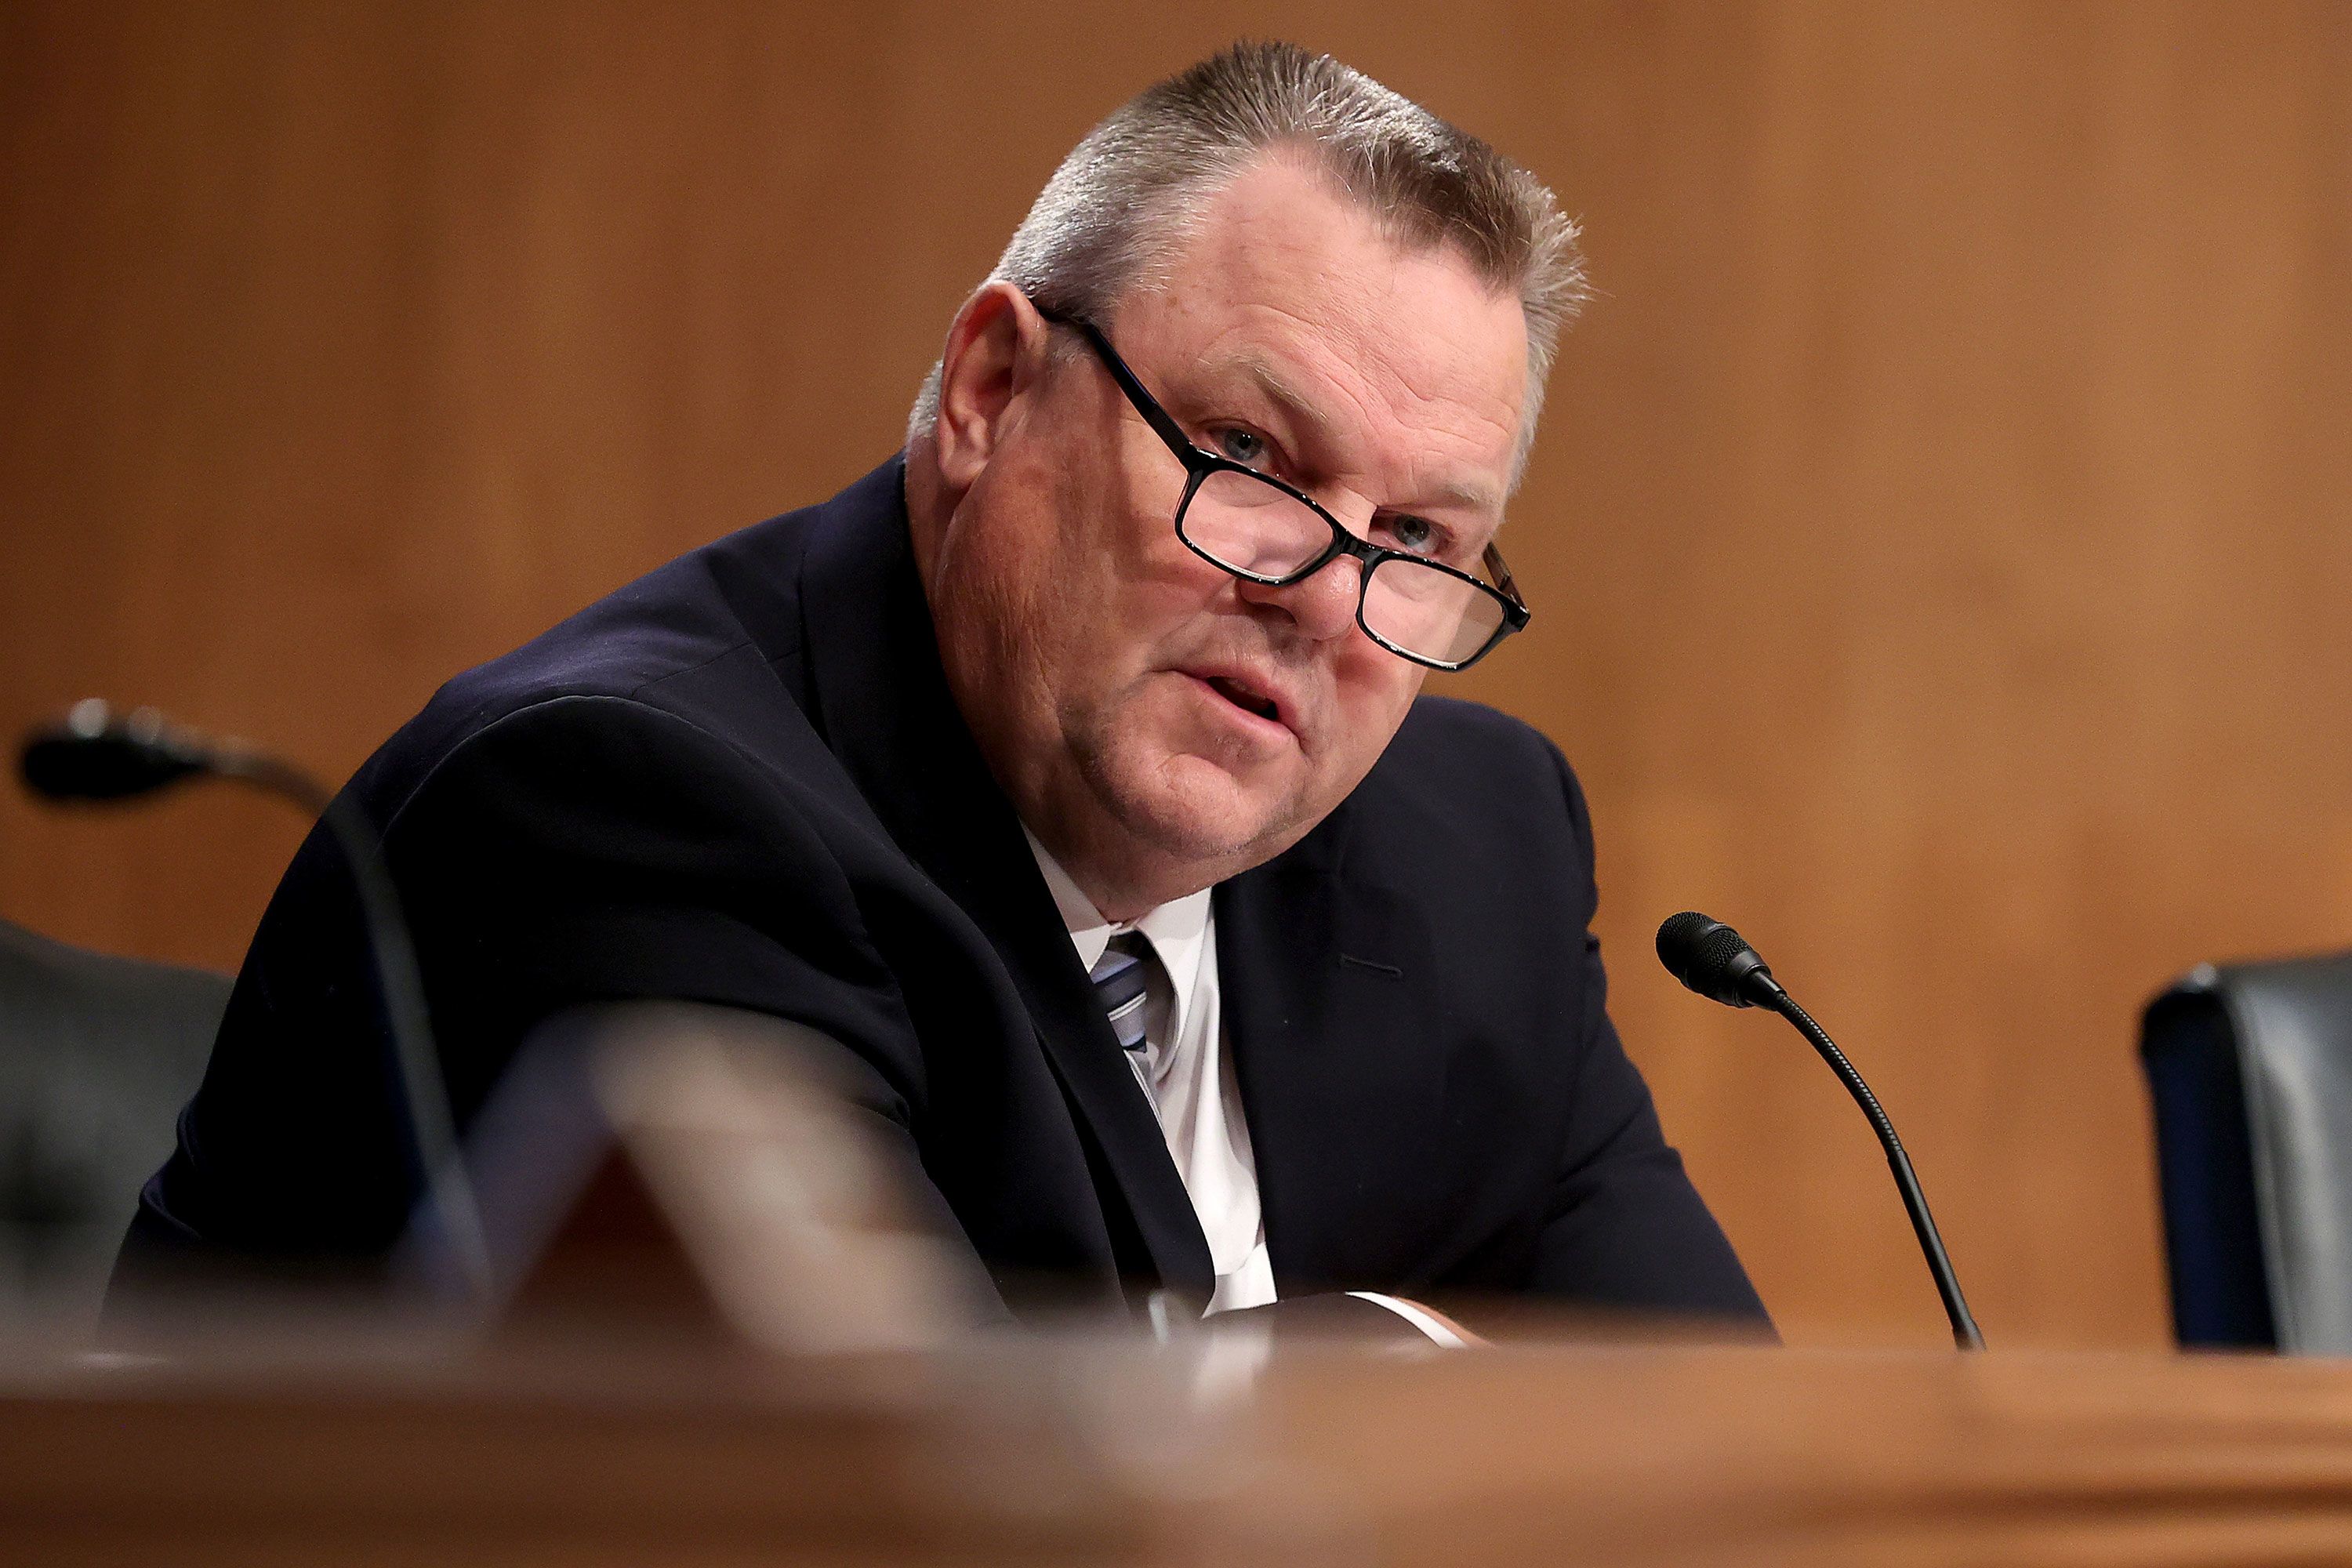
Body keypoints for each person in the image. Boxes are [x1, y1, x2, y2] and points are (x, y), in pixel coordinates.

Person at [117, 42, 1766, 1333]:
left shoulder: (1475, 849)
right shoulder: (623, 810)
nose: (1328, 599)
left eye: (1418, 535)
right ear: (989, 388)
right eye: (1252, 455)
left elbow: (1728, 1473)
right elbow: (942, 1508)